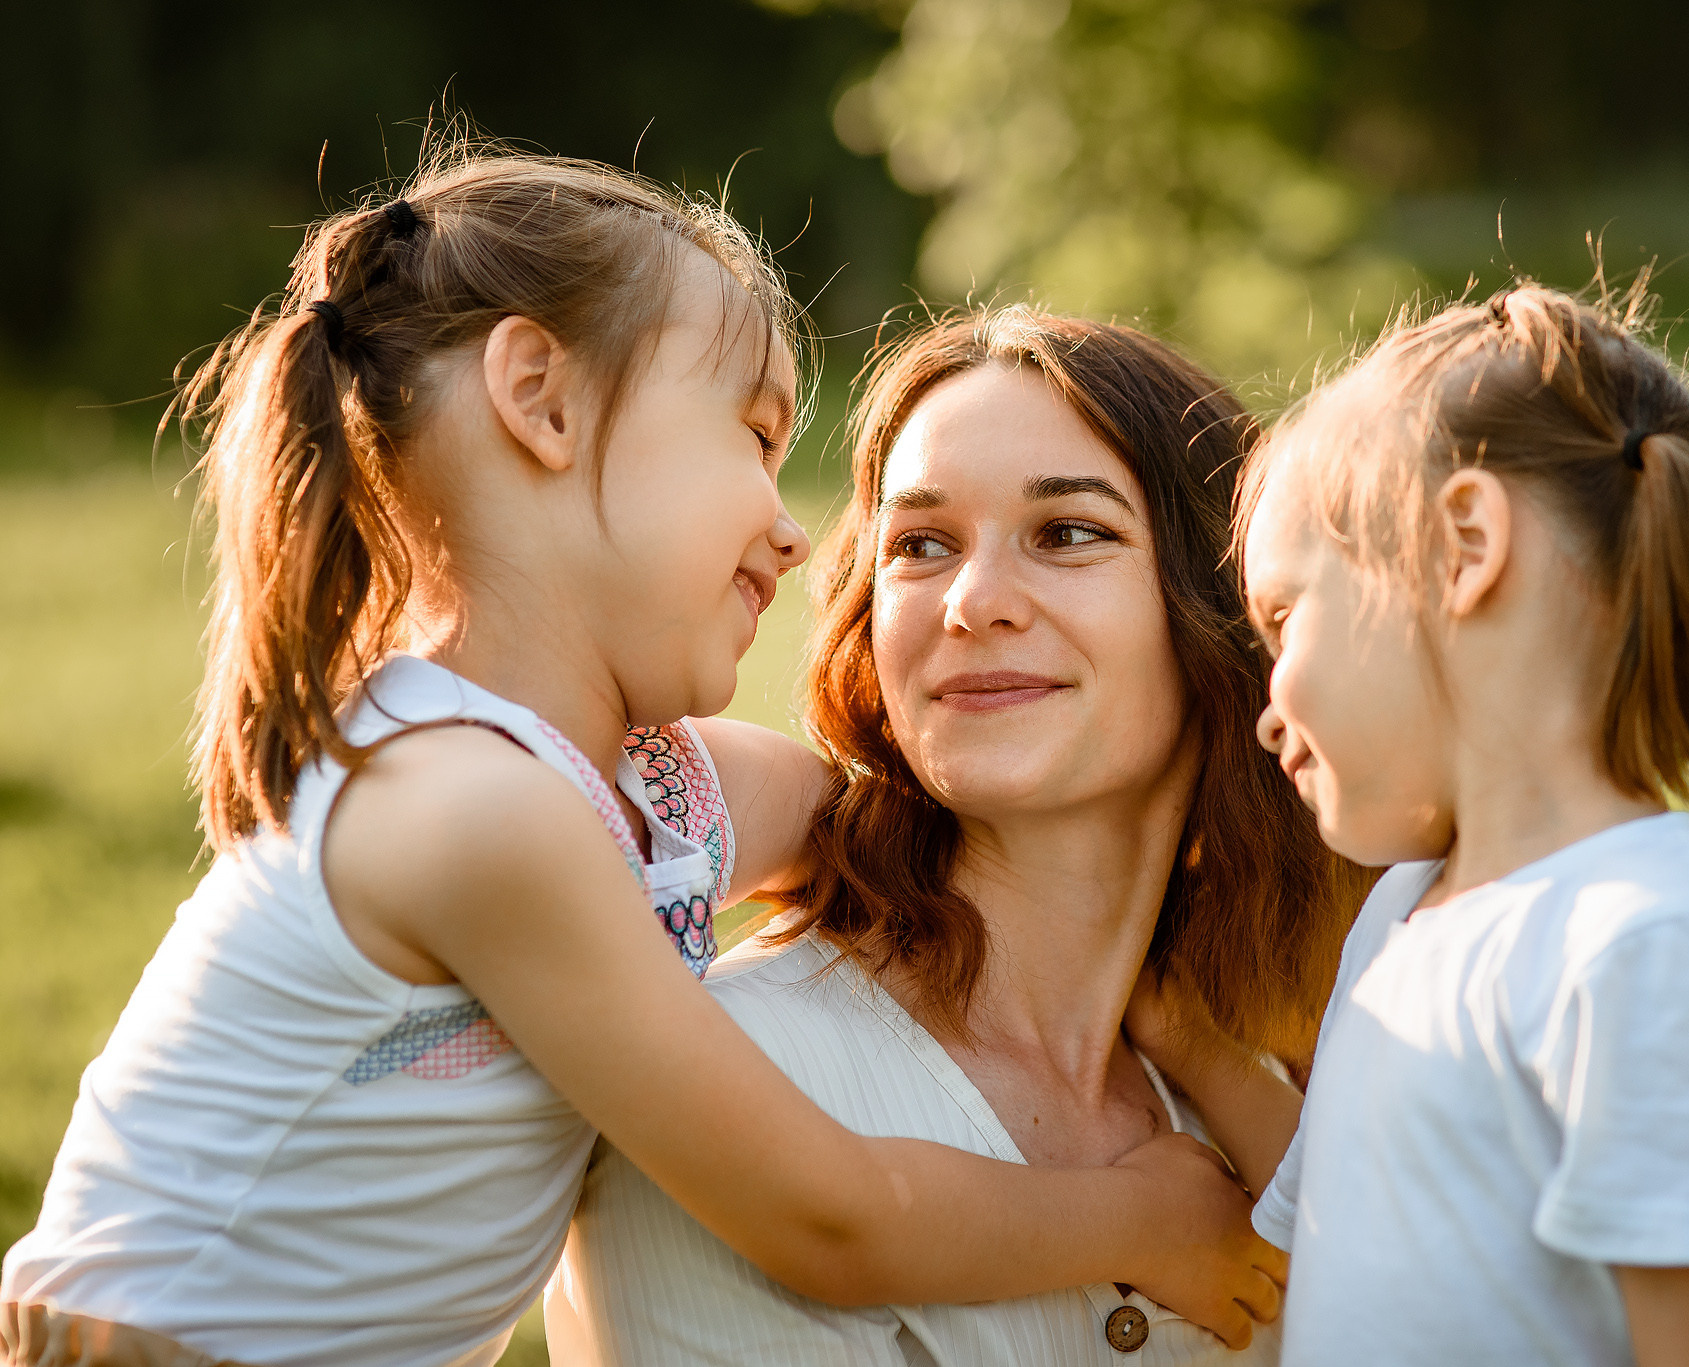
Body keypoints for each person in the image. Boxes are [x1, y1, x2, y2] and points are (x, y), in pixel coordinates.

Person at [0, 152, 1281, 1367]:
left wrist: (1178, 1013)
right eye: (755, 435)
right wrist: (1132, 1217)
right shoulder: (464, 806)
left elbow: (916, 823)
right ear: (540, 401)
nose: (789, 525)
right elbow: (827, 1214)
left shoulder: (657, 789)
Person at [544, 307, 1371, 1365]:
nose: (972, 601)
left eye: (1068, 532)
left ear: (1218, 608)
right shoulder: (746, 1094)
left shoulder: (1268, 1093)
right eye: (921, 545)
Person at [1211, 283, 1689, 1365]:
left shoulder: (1658, 950)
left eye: (1283, 617)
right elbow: (1333, 1235)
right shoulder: (1400, 917)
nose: (1268, 707)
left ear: (1463, 543)